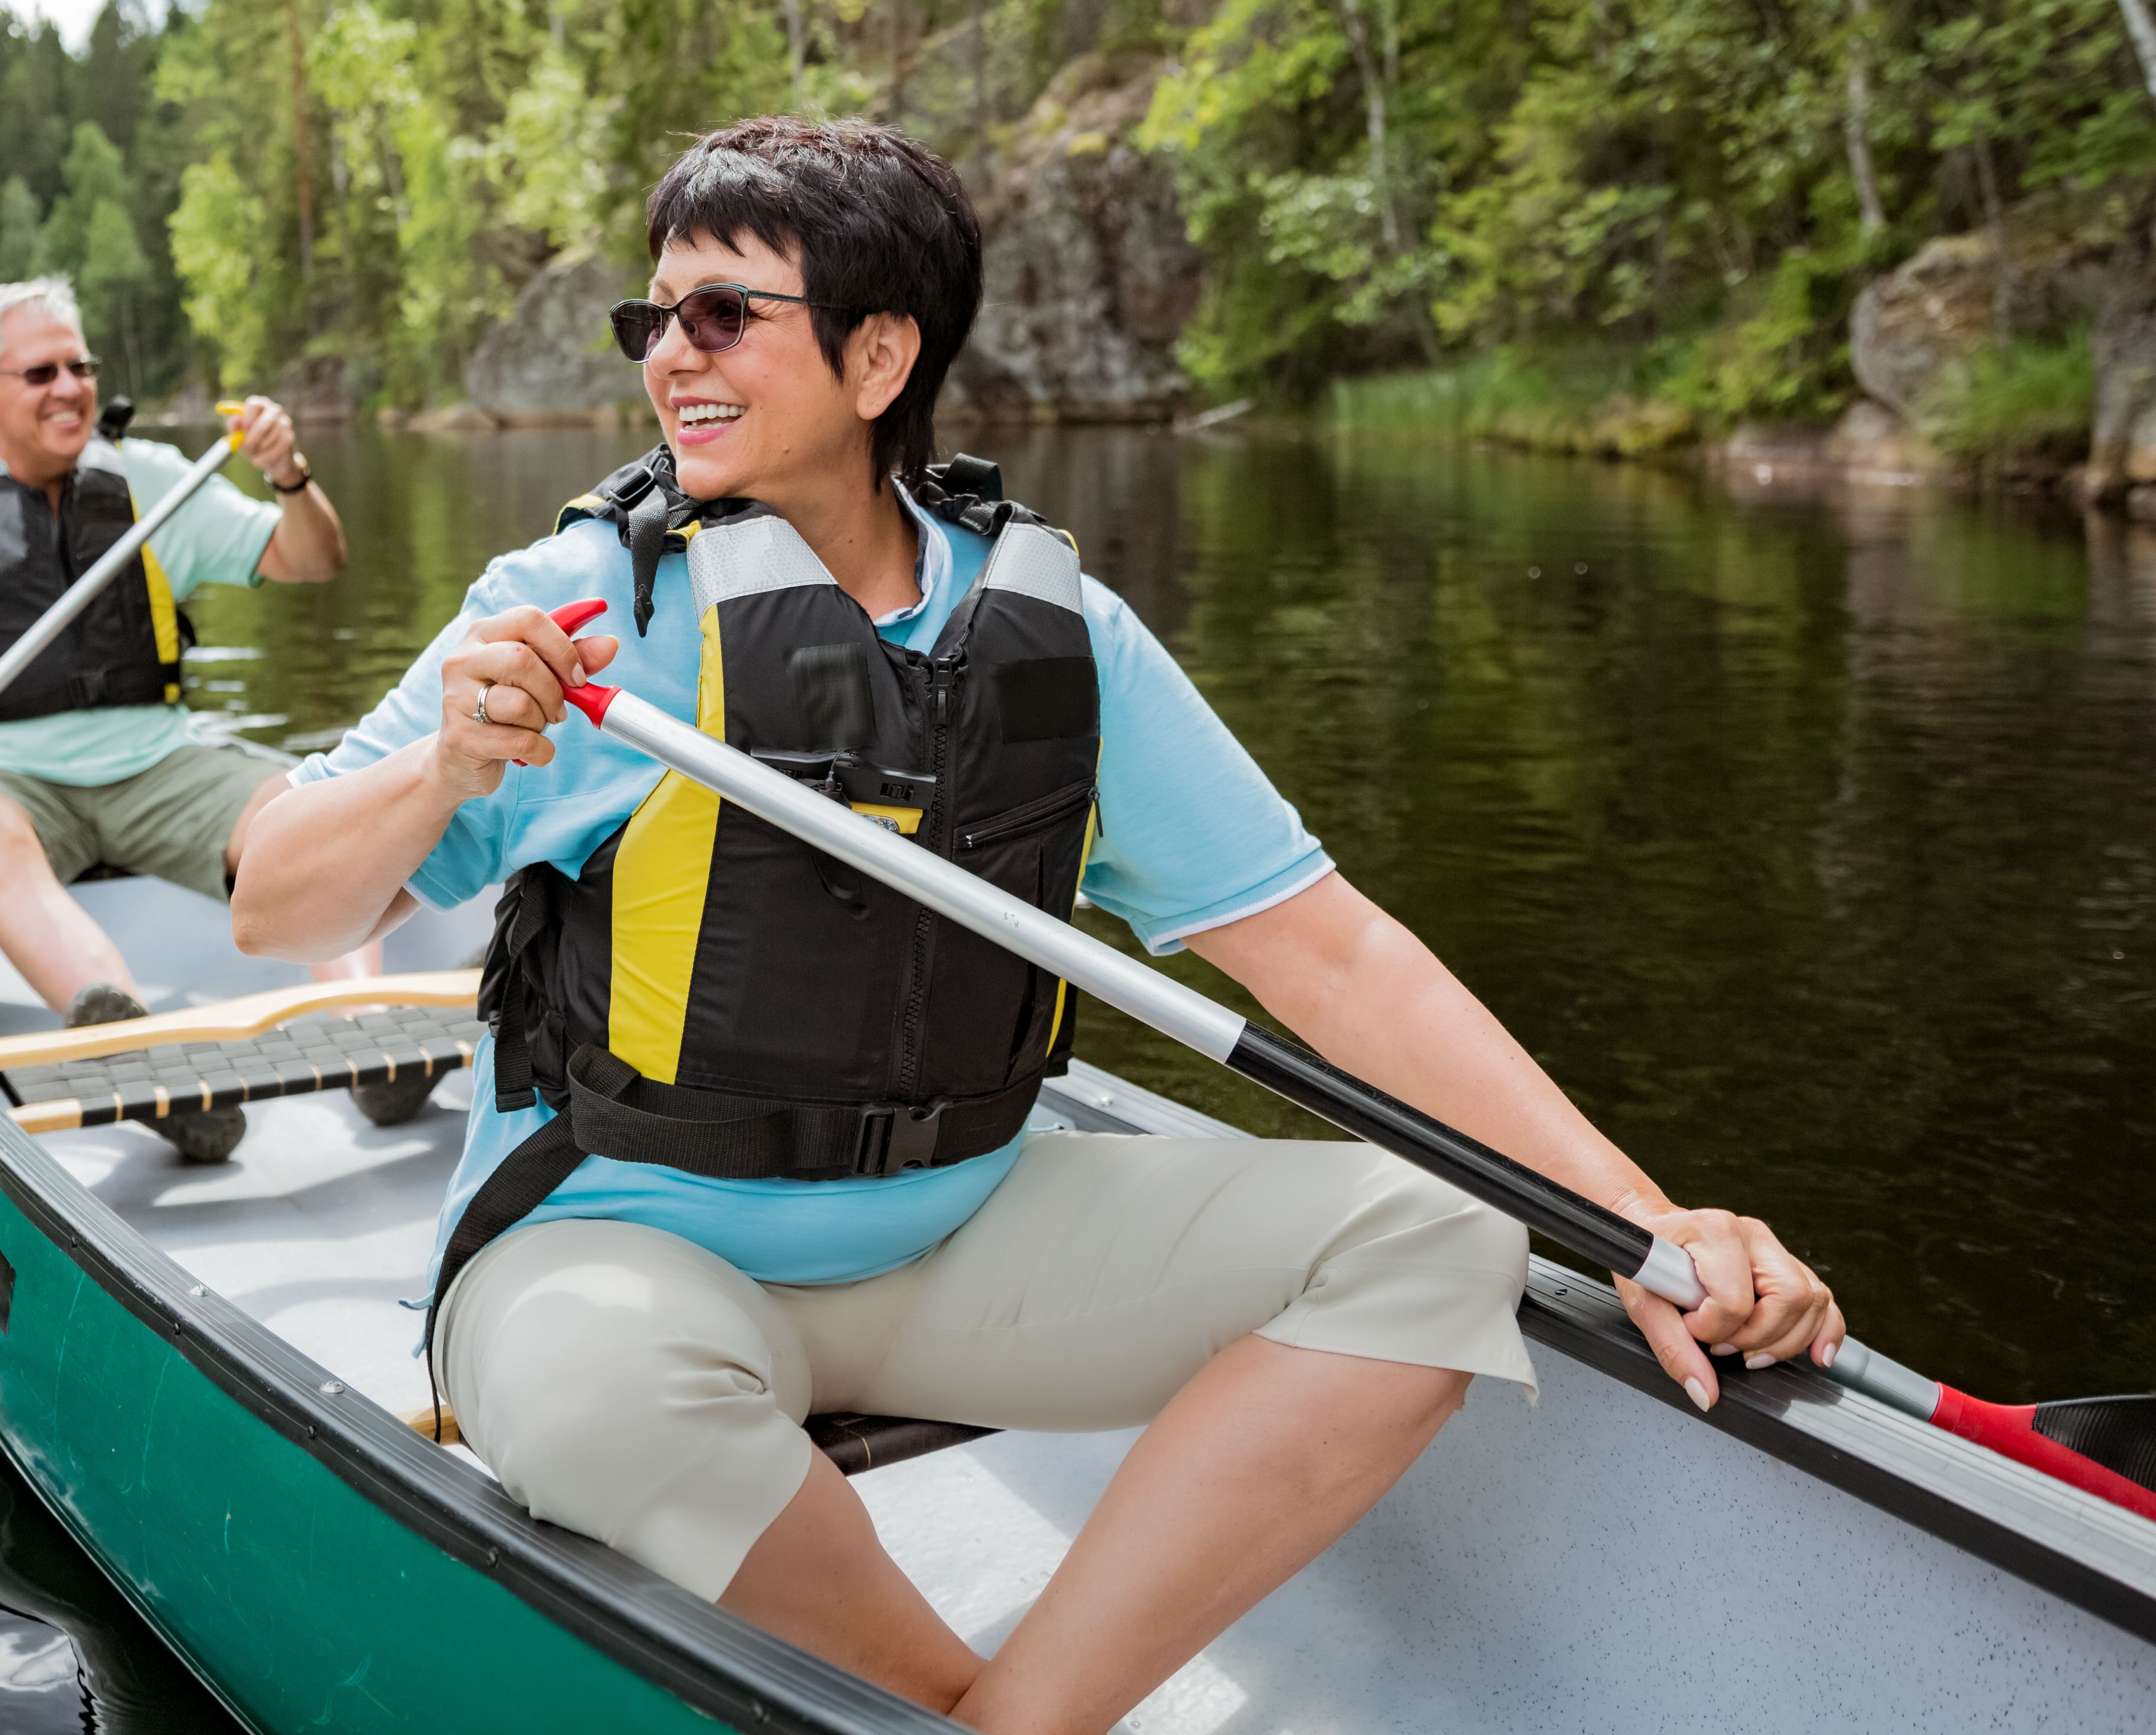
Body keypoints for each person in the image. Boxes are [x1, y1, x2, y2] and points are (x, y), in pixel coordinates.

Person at [229, 121, 1839, 1735]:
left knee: (1448, 1239)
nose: (670, 357)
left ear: (878, 356)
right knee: (599, 1397)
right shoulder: (588, 607)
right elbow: (273, 899)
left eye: (724, 315)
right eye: (651, 316)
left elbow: (1328, 951)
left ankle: (1017, 1725)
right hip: (616, 1244)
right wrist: (444, 768)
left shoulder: (1051, 633)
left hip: (957, 1228)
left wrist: (1643, 1225)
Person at [0, 275, 347, 1059]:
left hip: (157, 764)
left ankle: (363, 1019)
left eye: (80, 367)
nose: (70, 389)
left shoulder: (154, 479)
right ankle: (132, 1046)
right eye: (42, 373)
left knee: (306, 806)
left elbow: (314, 559)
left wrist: (289, 476)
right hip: (2, 776)